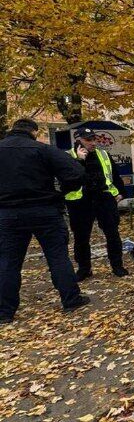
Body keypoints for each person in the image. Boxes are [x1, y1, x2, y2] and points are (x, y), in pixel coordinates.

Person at [0, 118, 90, 323]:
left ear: (12, 130)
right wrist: (61, 193)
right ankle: (71, 299)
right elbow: (76, 172)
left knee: (7, 262)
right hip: (45, 211)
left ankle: (4, 312)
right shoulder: (42, 149)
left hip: (8, 214)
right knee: (57, 256)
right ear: (33, 132)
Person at [66, 127, 128, 279]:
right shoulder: (68, 156)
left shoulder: (103, 154)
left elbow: (115, 175)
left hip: (104, 198)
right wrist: (80, 160)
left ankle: (117, 266)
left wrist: (121, 193)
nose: (93, 143)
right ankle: (84, 269)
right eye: (88, 140)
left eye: (94, 139)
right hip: (80, 202)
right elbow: (67, 180)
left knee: (112, 234)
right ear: (78, 140)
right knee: (81, 237)